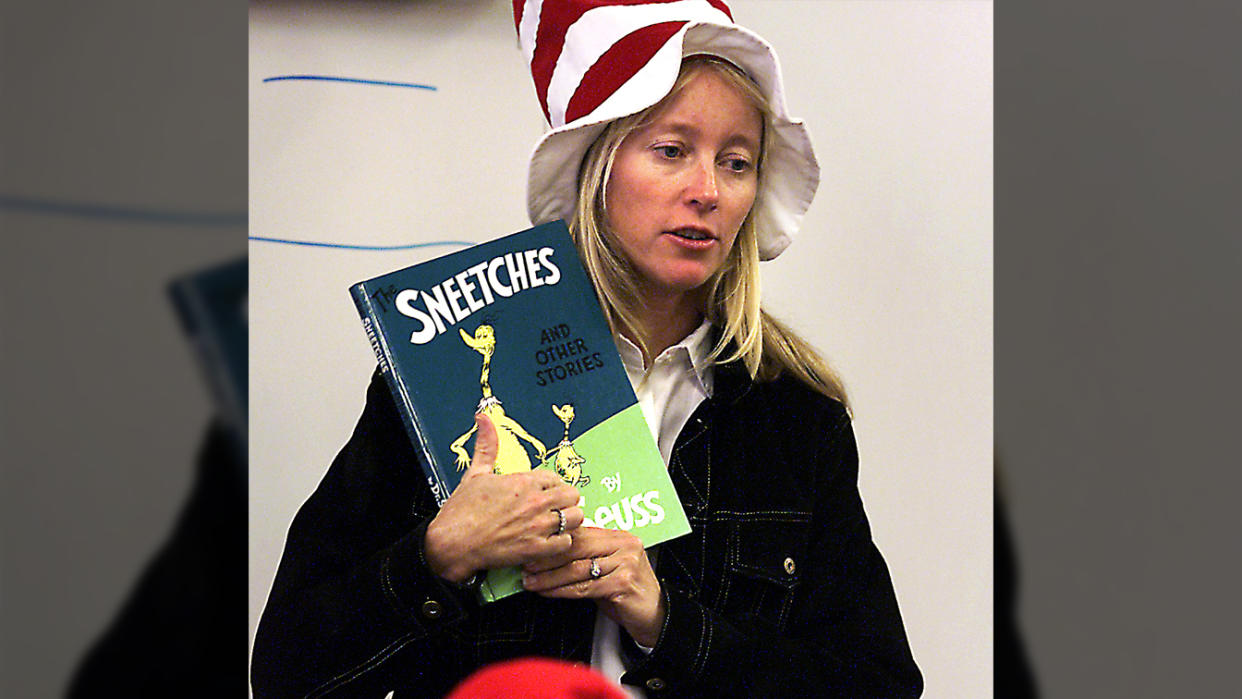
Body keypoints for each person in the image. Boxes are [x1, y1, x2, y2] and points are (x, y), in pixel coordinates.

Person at [252, 1, 922, 696]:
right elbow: (285, 671)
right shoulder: (445, 378)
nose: (707, 191)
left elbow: (877, 685)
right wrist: (439, 556)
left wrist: (669, 623)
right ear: (597, 165)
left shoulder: (792, 416)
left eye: (737, 162)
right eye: (670, 151)